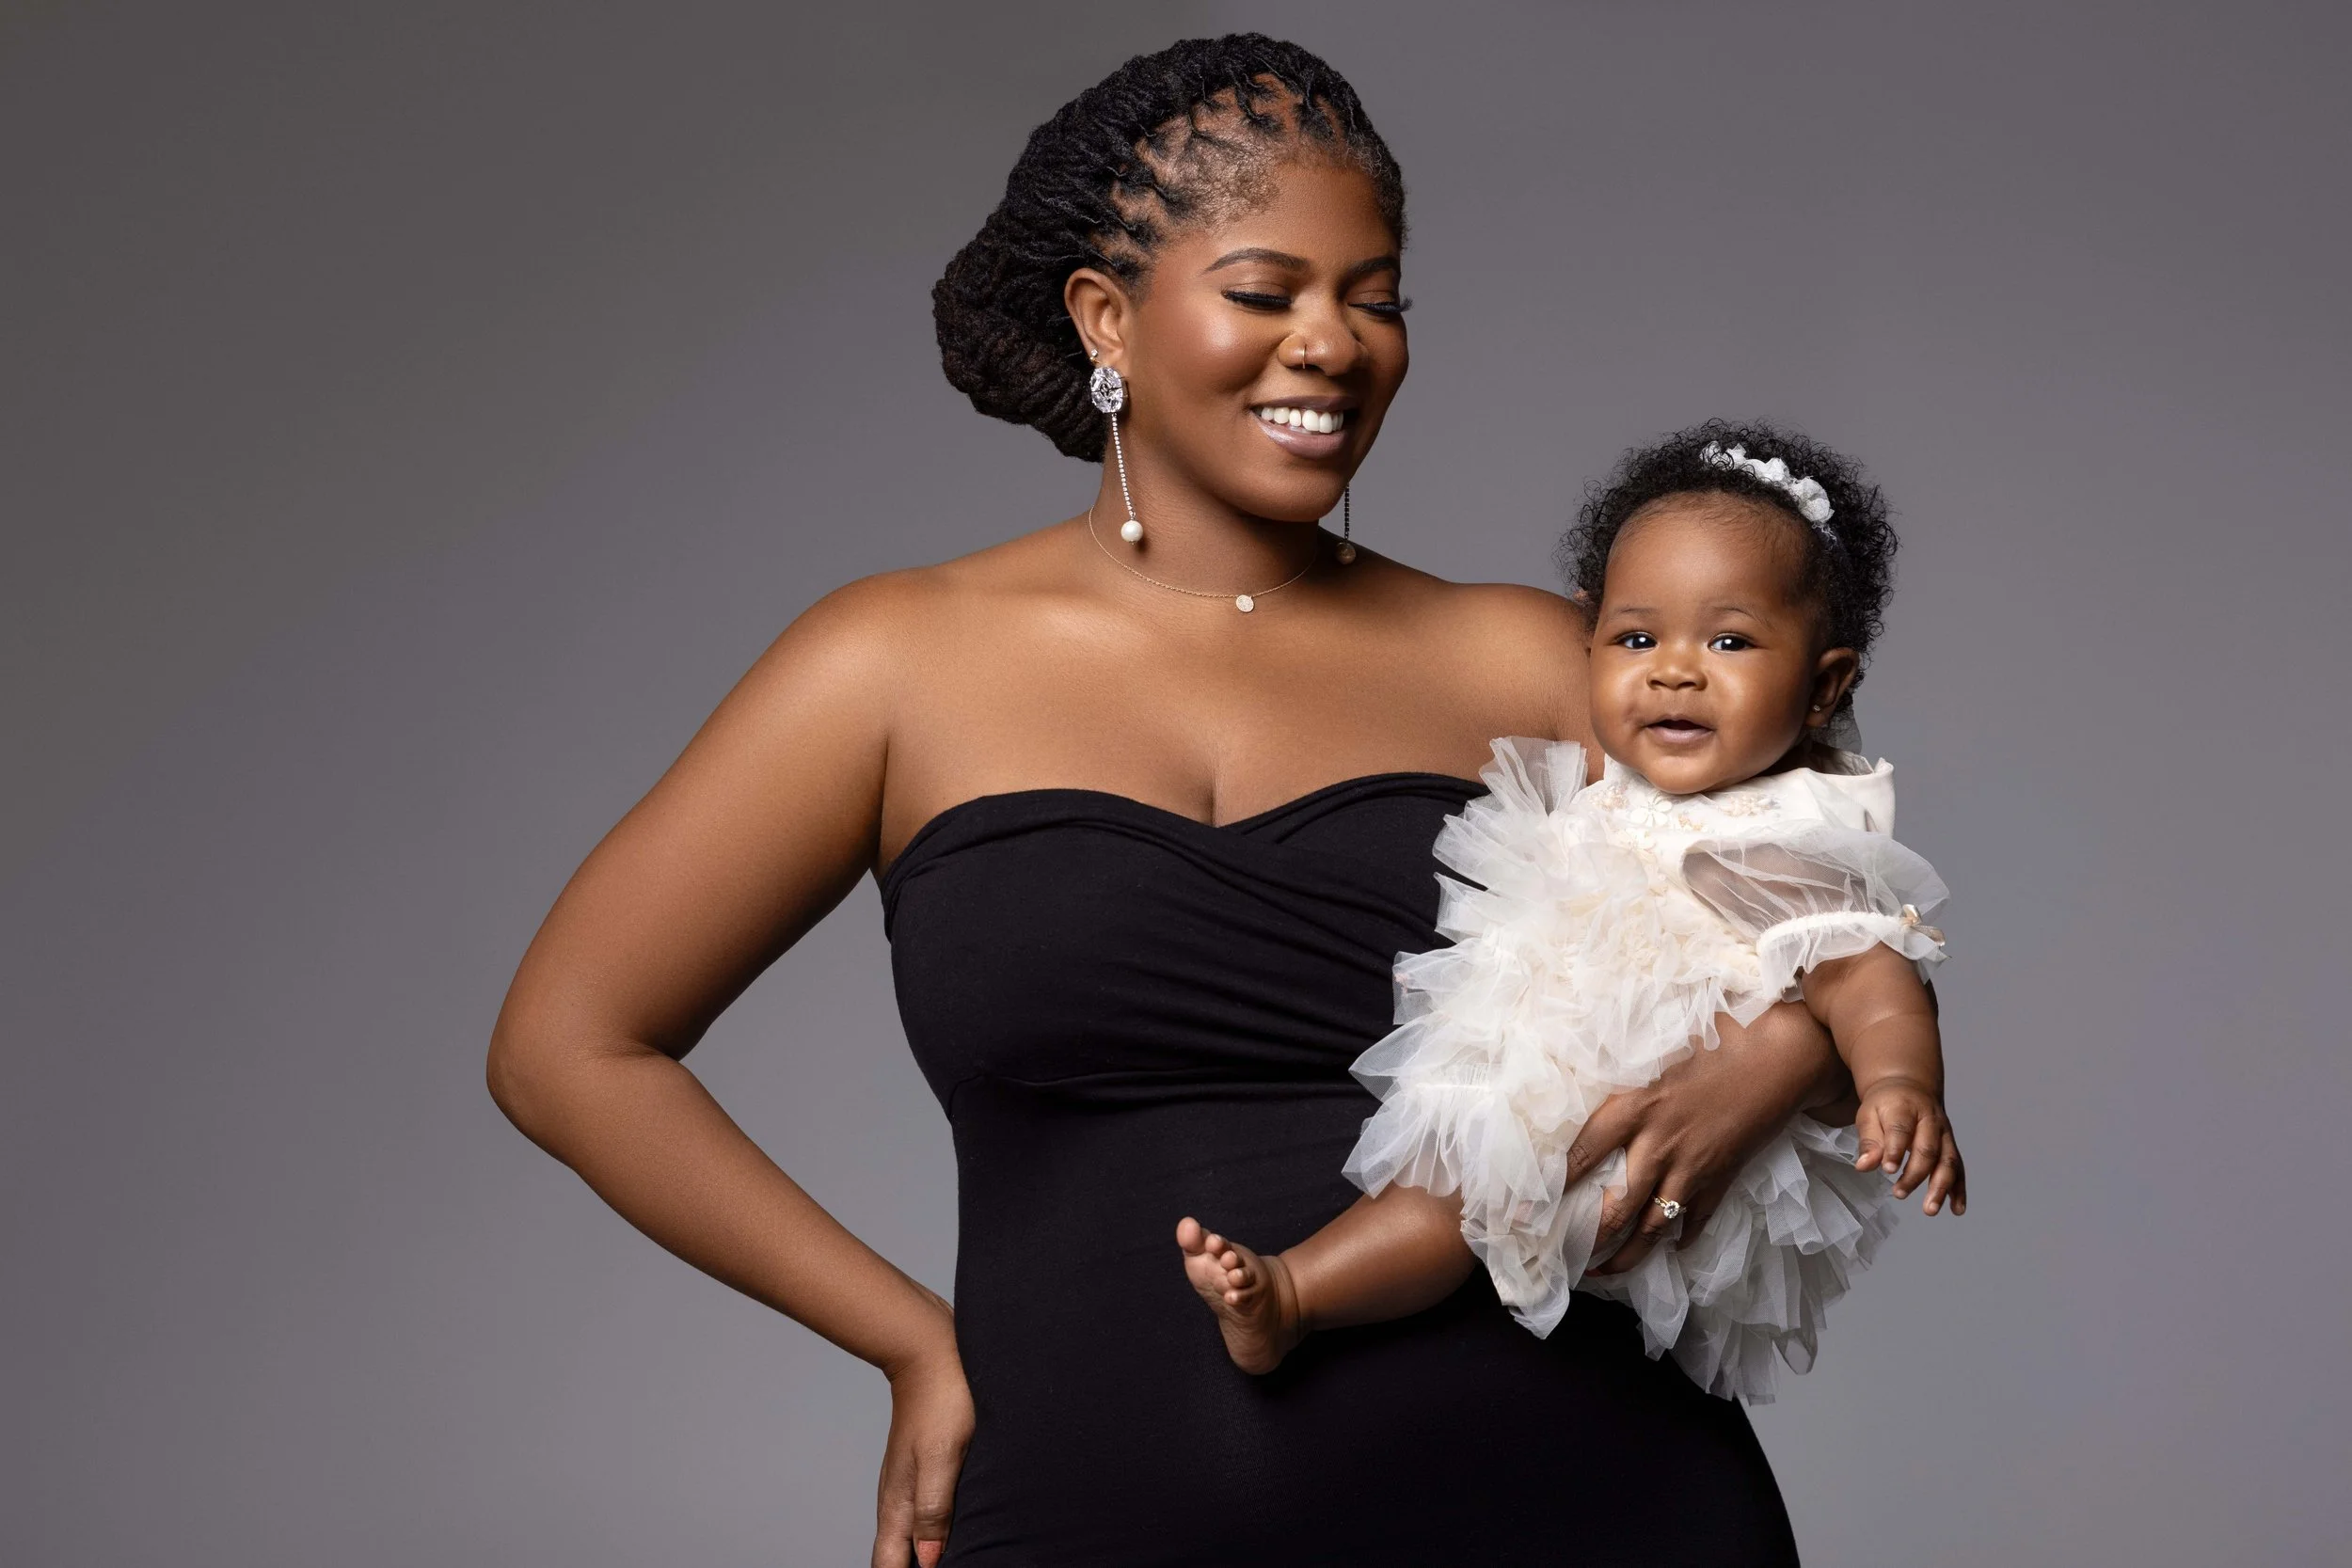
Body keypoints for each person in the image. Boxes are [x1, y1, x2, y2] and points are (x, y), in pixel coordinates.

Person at [488, 35, 1852, 1565]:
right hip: (1091, 1502)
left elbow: (1851, 936)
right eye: (1266, 293)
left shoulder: (1539, 656)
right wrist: (908, 1341)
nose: (1332, 343)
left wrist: (1783, 1054)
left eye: (1376, 296)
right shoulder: (889, 665)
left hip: (1593, 1503)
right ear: (1105, 318)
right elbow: (568, 1047)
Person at [1177, 421, 1968, 1402]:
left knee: (1478, 1205)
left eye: (1728, 640)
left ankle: (1318, 1294)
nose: (1674, 668)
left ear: (1825, 686)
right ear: (1586, 639)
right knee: (1444, 1190)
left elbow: (1866, 970)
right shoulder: (1601, 780)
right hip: (1542, 1084)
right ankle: (1294, 1295)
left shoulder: (1787, 827)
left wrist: (1899, 1081)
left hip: (1654, 1135)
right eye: (1637, 637)